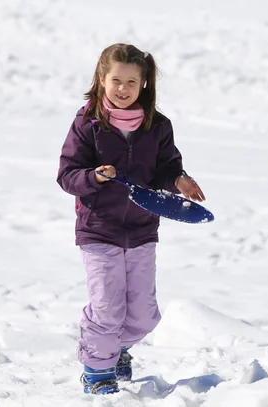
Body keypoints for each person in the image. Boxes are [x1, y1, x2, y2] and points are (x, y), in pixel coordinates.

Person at [57, 43, 205, 395]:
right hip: (99, 228)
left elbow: (166, 167)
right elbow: (68, 175)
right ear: (101, 79)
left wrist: (179, 179)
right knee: (107, 307)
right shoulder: (87, 124)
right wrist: (95, 177)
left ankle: (115, 350)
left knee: (143, 315)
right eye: (116, 81)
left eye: (131, 82)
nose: (123, 89)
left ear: (143, 85)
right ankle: (97, 371)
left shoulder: (157, 126)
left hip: (141, 229)